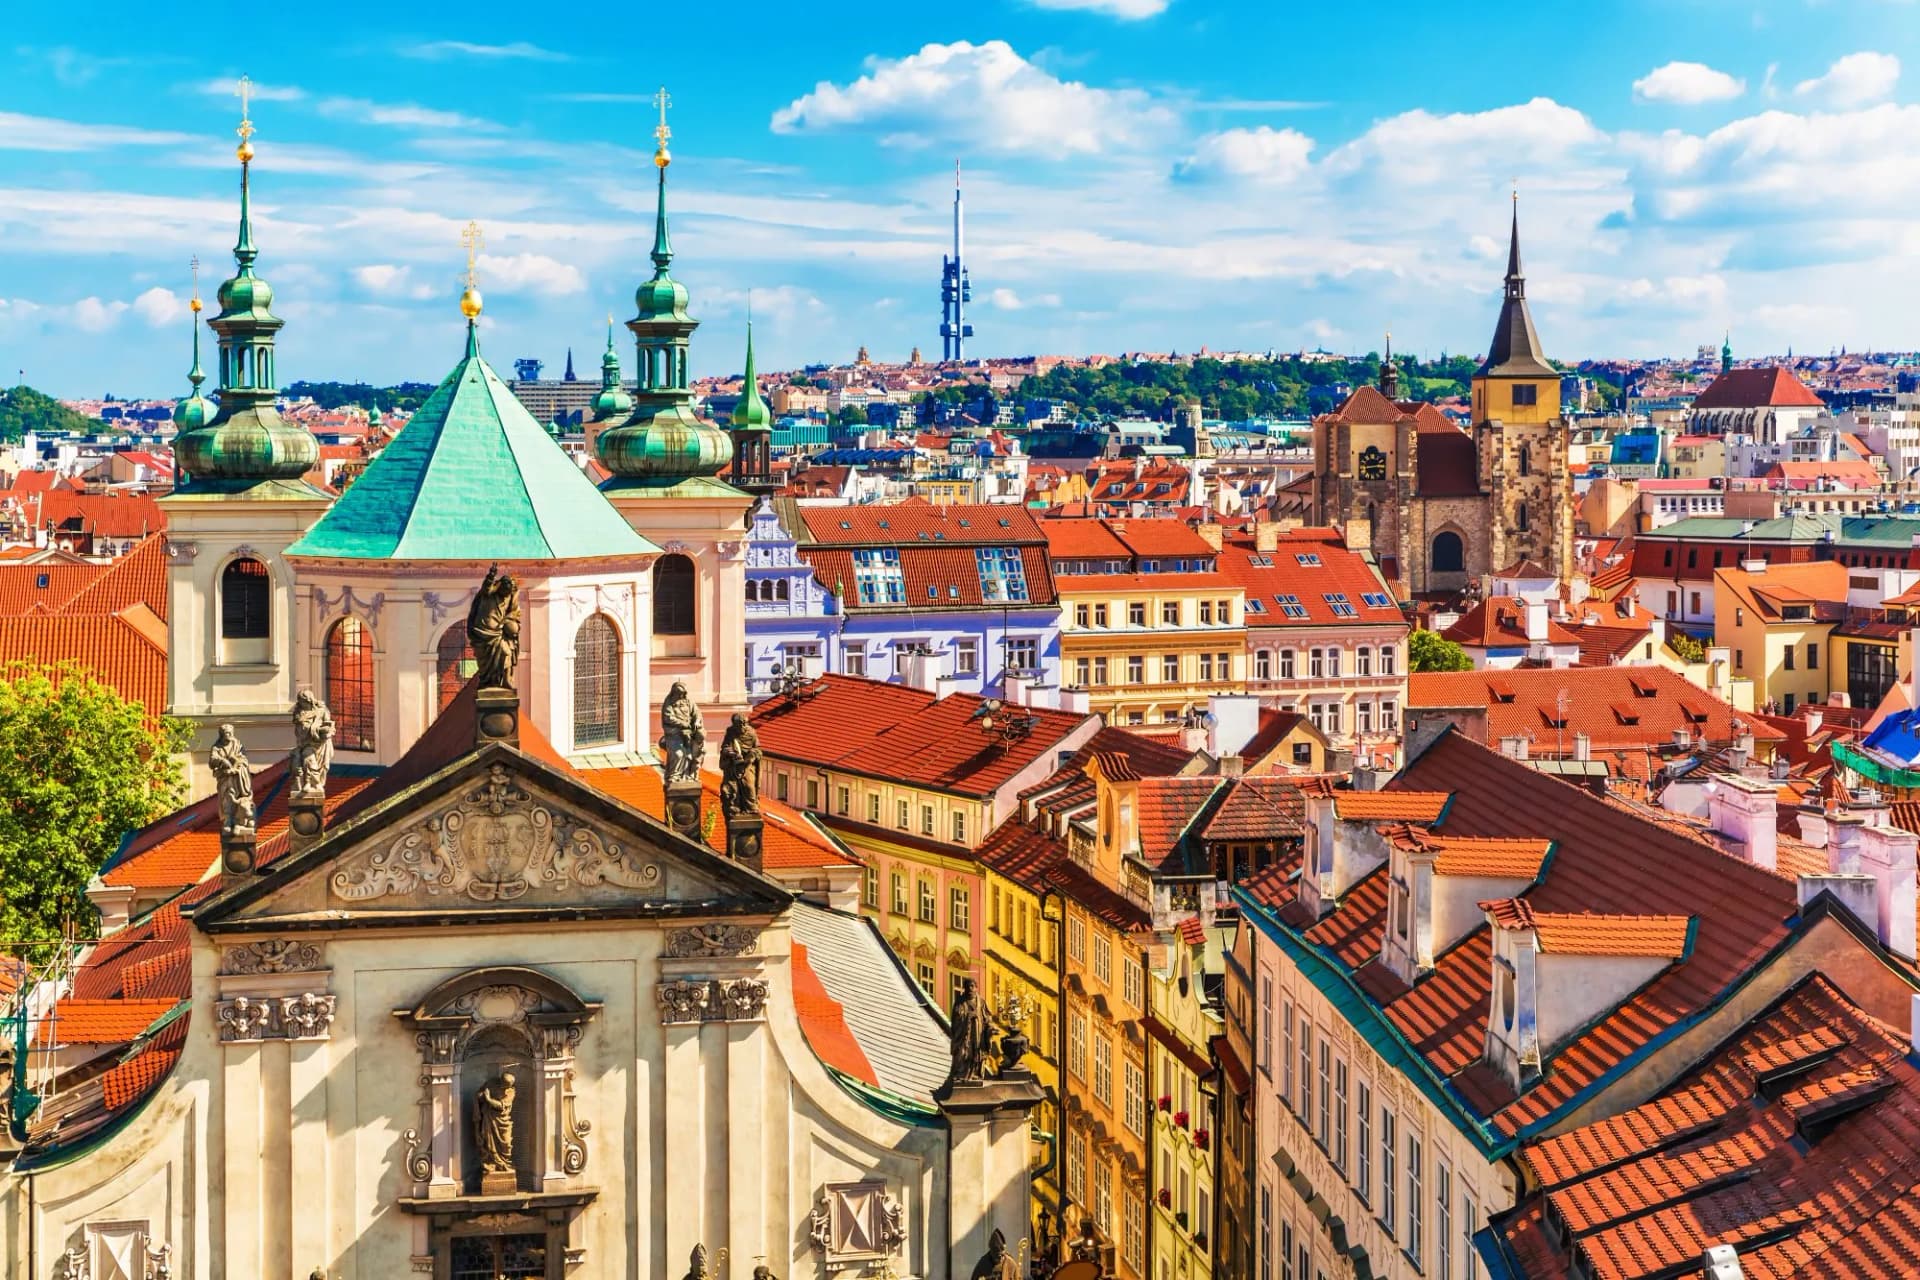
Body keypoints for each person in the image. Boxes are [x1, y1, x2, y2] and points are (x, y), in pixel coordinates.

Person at [467, 565, 521, 691]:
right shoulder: (488, 594)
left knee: (506, 652)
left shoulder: (508, 598)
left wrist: (511, 623)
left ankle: (507, 681)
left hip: (497, 633)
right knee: (485, 664)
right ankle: (487, 681)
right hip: (482, 633)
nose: (505, 595)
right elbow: (486, 587)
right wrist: (491, 576)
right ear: (499, 586)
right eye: (504, 590)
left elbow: (514, 613)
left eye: (508, 592)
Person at [209, 724, 254, 835]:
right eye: (226, 733)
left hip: (238, 778)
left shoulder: (238, 744)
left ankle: (243, 820)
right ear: (221, 735)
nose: (228, 735)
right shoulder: (217, 747)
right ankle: (228, 820)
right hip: (225, 778)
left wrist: (236, 764)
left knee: (242, 798)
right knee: (227, 799)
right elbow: (212, 761)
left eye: (230, 733)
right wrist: (221, 761)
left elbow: (244, 759)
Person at [659, 681, 705, 785]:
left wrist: (697, 721)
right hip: (674, 734)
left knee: (690, 755)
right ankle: (674, 776)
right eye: (679, 694)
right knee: (678, 754)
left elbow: (697, 713)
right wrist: (682, 723)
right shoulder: (669, 702)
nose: (681, 696)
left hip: (688, 734)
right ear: (674, 692)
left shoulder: (688, 701)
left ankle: (686, 775)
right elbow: (668, 717)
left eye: (683, 694)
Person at [289, 690, 334, 795]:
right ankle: (311, 783)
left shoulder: (321, 710)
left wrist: (326, 730)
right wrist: (315, 730)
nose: (301, 704)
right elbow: (301, 732)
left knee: (313, 761)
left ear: (309, 701)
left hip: (321, 744)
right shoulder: (299, 714)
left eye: (303, 702)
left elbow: (329, 724)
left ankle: (314, 784)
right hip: (307, 743)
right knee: (307, 757)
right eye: (300, 702)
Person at [719, 713, 762, 818]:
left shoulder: (751, 733)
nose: (742, 727)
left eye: (744, 724)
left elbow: (757, 749)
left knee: (749, 786)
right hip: (733, 765)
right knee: (731, 788)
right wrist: (731, 753)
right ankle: (735, 807)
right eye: (739, 725)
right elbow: (725, 747)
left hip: (747, 765)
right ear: (735, 725)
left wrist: (751, 756)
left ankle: (751, 809)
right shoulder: (730, 732)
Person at [475, 1072, 517, 1173]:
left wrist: (488, 1099)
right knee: (488, 1142)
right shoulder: (491, 1083)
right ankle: (491, 1163)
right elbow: (479, 1095)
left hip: (503, 1121)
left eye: (508, 1086)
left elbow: (500, 1106)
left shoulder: (511, 1092)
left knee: (506, 1144)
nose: (505, 1088)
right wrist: (481, 1096)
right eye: (504, 1085)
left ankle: (505, 1163)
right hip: (488, 1118)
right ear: (501, 1080)